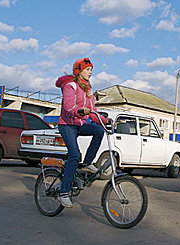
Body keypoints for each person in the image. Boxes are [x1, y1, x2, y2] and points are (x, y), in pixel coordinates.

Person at [56, 57, 111, 208]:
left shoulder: (88, 90)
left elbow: (92, 112)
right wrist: (80, 111)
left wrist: (104, 120)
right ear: (78, 71)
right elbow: (68, 106)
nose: (90, 73)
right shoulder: (70, 86)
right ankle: (63, 193)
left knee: (98, 130)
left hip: (79, 124)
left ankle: (87, 162)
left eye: (91, 70)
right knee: (74, 155)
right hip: (67, 124)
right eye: (87, 70)